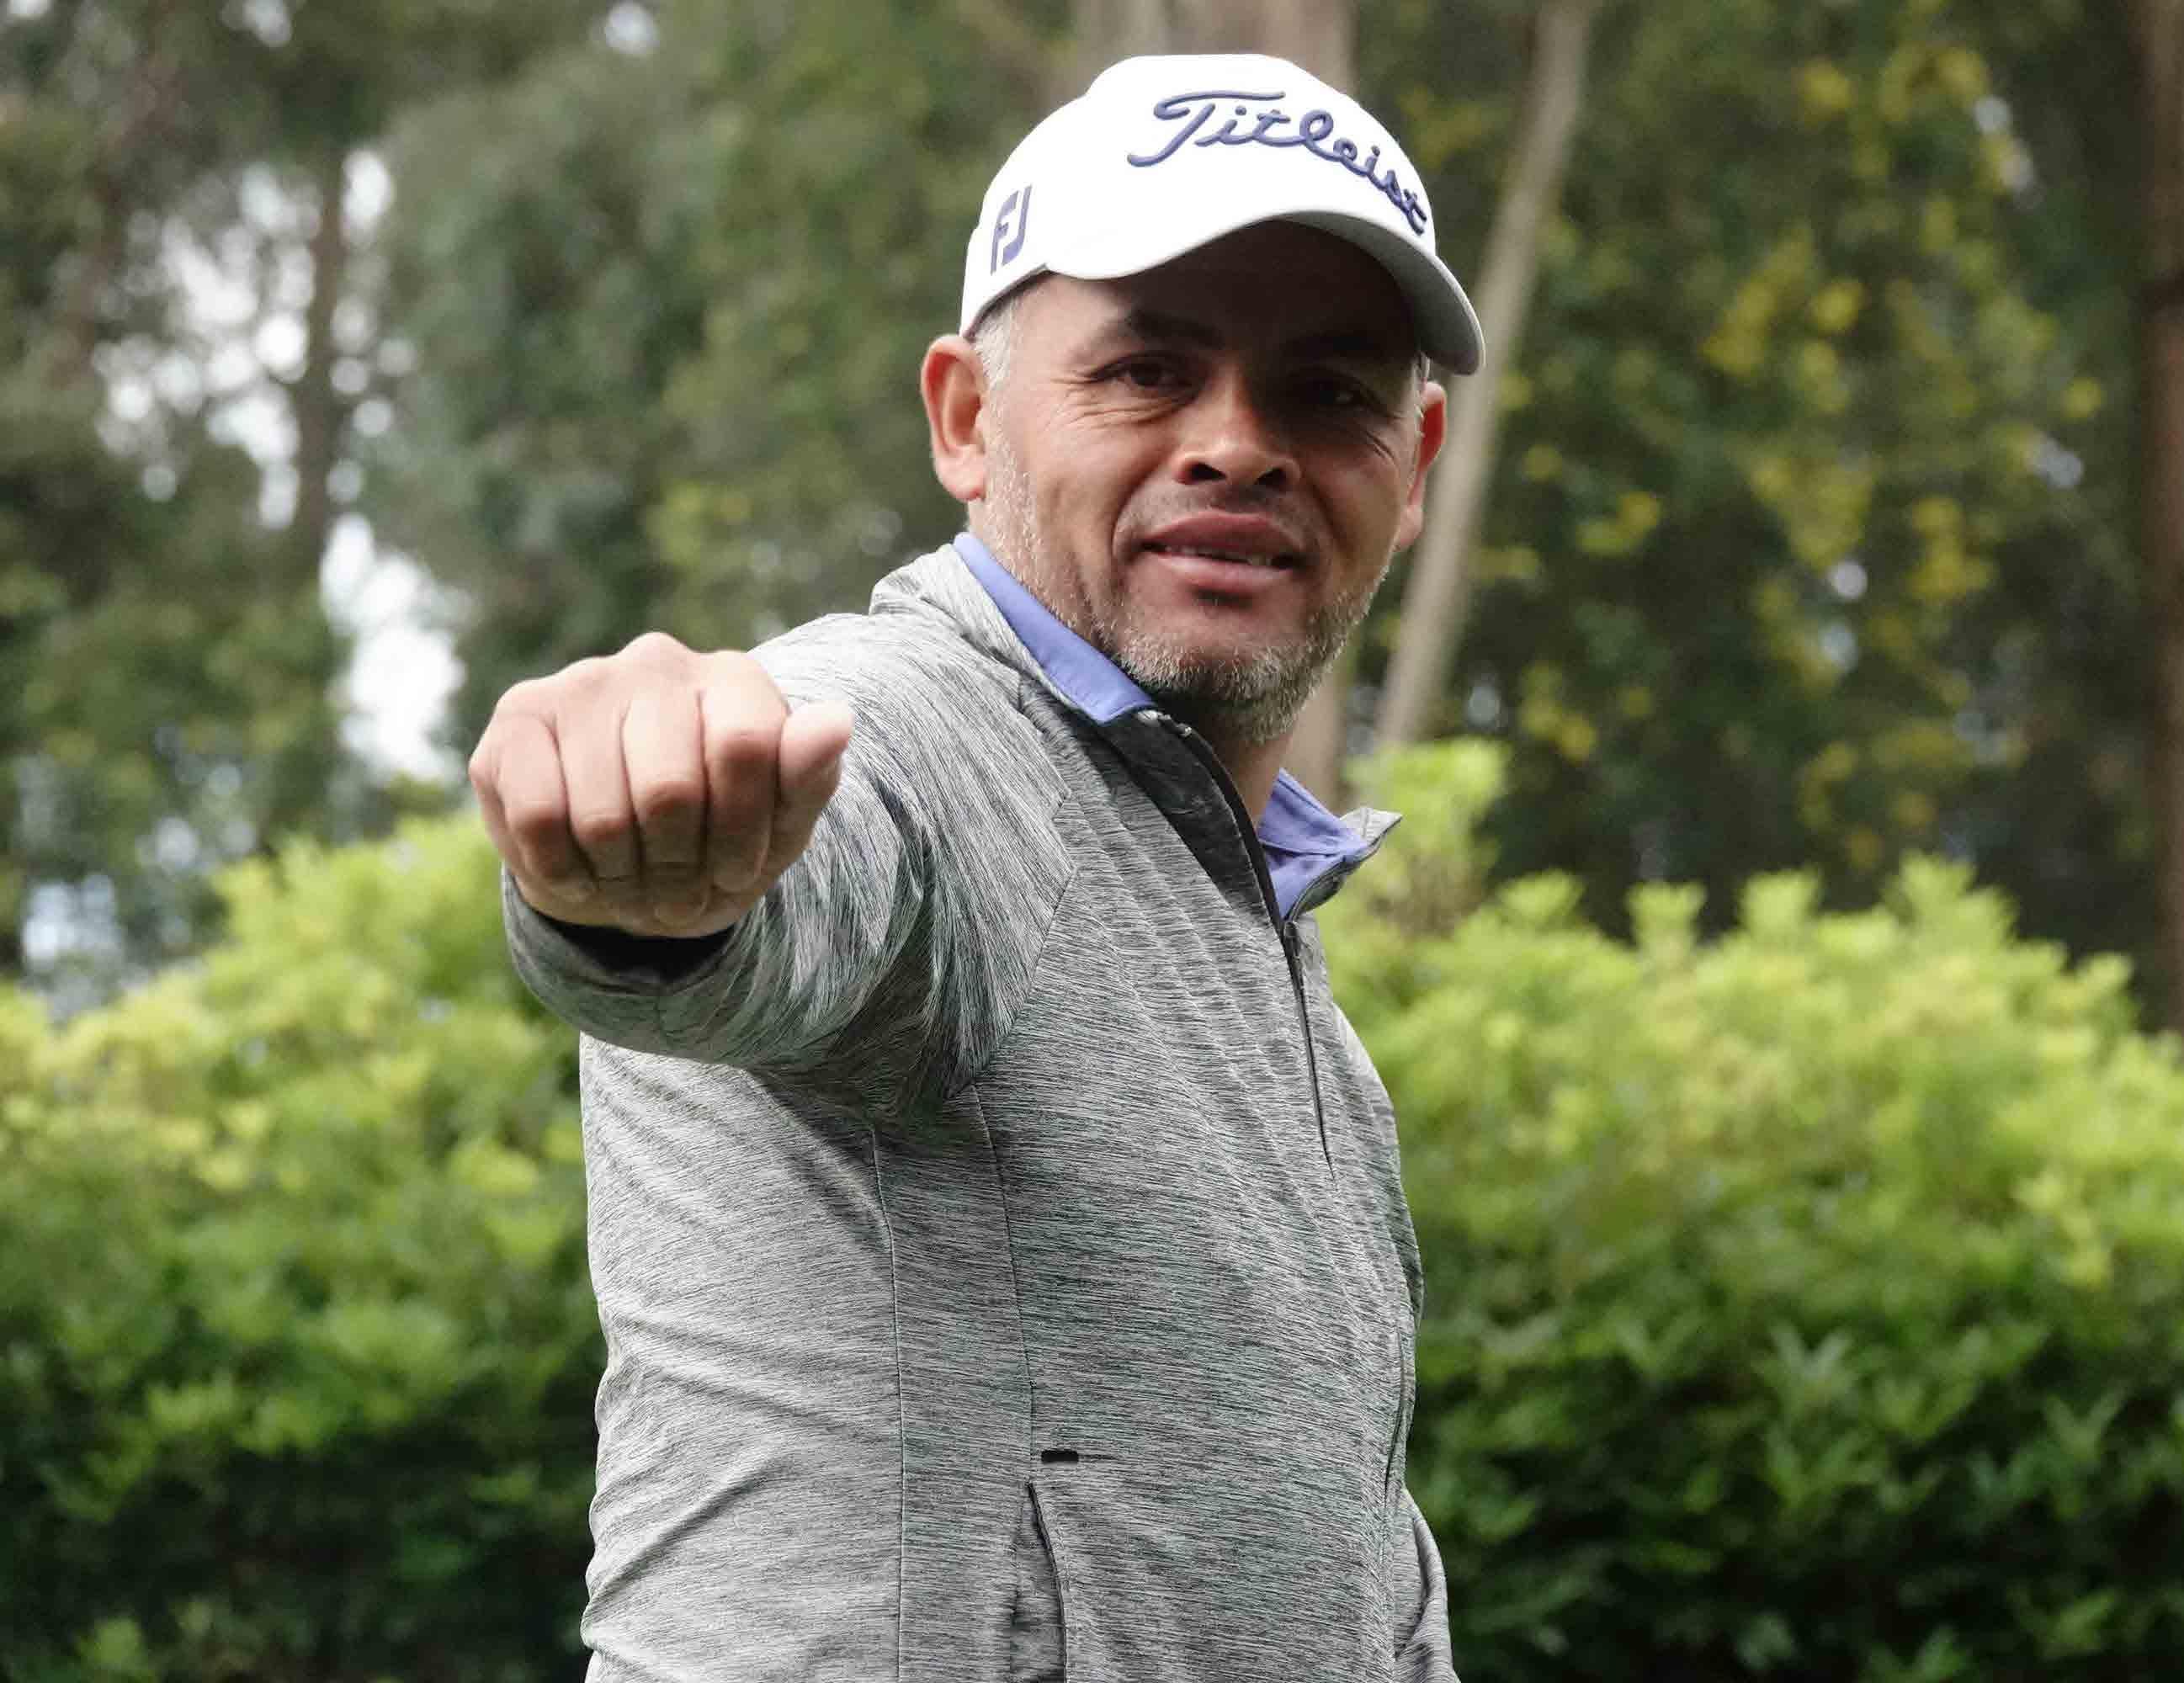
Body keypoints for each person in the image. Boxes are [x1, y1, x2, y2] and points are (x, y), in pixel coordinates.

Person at [470, 50, 1484, 1683]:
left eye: (1329, 390)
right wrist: (646, 890)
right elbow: (777, 899)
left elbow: (1352, 1549)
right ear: (965, 419)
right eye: (1148, 371)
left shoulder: (1269, 946)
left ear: (1415, 462)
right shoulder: (904, 738)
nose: (1238, 443)